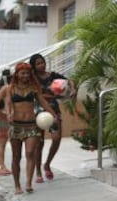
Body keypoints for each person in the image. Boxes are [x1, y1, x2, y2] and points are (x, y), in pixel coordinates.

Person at [5, 62, 57, 195]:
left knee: (30, 153)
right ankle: (17, 185)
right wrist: (9, 113)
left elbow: (43, 102)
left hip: (31, 125)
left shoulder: (33, 88)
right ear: (17, 74)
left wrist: (53, 113)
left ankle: (28, 183)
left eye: (27, 73)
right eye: (22, 73)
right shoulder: (10, 88)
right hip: (15, 125)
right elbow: (8, 104)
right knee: (16, 157)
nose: (25, 75)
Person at [29, 54, 76, 183]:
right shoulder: (32, 79)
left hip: (54, 110)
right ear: (33, 66)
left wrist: (72, 90)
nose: (41, 65)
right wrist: (51, 95)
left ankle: (47, 163)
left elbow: (69, 81)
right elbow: (35, 94)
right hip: (38, 111)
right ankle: (38, 172)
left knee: (56, 138)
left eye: (42, 62)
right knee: (39, 143)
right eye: (38, 63)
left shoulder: (53, 75)